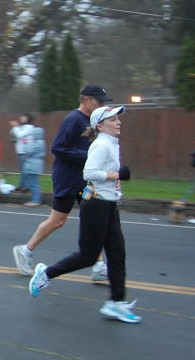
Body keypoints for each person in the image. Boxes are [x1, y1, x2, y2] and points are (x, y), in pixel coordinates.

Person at [29, 106, 141, 323]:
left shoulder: (111, 143)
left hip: (108, 204)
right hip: (96, 204)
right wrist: (117, 174)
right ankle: (46, 273)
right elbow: (88, 172)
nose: (118, 122)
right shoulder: (101, 145)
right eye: (113, 120)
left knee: (117, 254)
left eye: (118, 119)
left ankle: (116, 303)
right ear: (100, 126)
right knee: (88, 256)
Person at [13, 84, 112, 280]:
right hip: (67, 178)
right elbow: (58, 148)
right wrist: (87, 156)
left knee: (94, 218)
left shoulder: (93, 120)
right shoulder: (74, 119)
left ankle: (99, 265)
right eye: (98, 101)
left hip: (85, 179)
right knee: (57, 220)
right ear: (86, 99)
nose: (101, 105)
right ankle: (25, 250)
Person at [10, 113, 35, 192]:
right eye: (21, 116)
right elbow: (13, 134)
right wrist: (15, 127)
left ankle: (26, 186)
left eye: (24, 117)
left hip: (26, 151)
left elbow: (19, 135)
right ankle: (22, 185)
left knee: (25, 170)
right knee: (22, 170)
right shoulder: (21, 127)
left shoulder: (30, 127)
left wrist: (15, 127)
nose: (21, 118)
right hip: (20, 151)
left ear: (28, 118)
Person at [22, 126, 46, 207]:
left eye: (33, 134)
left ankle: (35, 200)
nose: (32, 135)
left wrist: (26, 143)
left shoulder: (38, 143)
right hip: (34, 163)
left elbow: (29, 150)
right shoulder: (40, 142)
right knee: (33, 182)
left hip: (33, 164)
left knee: (34, 183)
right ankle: (35, 199)